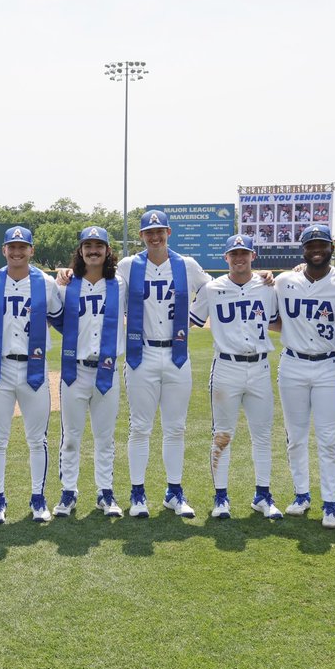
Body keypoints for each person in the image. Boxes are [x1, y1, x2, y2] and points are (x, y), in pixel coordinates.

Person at [117, 209, 211, 517]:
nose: (155, 236)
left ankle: (174, 491)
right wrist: (66, 273)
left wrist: (196, 316)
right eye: (149, 232)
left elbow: (213, 288)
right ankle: (137, 493)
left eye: (160, 231)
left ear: (168, 233)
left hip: (176, 353)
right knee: (140, 427)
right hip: (140, 353)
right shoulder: (129, 266)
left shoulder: (187, 265)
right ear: (141, 236)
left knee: (175, 428)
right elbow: (101, 281)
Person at [270, 224, 335, 529]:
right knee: (295, 436)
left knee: (328, 439)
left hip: (328, 367)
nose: (316, 250)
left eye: (321, 244)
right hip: (292, 364)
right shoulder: (284, 281)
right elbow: (271, 318)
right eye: (311, 245)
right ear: (303, 250)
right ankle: (300, 495)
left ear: (332, 248)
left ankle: (331, 504)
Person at [189, 234, 282, 520]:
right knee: (222, 435)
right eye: (234, 253)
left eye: (244, 253)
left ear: (253, 256)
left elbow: (278, 321)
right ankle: (221, 498)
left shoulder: (269, 287)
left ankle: (263, 496)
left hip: (259, 367)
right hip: (226, 367)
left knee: (262, 435)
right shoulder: (212, 288)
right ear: (226, 258)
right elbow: (192, 320)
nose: (239, 258)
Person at [0, 226, 64, 523]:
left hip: (35, 368)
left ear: (31, 250)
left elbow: (58, 317)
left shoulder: (47, 282)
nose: (17, 252)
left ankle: (38, 498)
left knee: (37, 439)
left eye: (22, 247)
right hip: (0, 368)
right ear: (3, 250)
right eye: (11, 247)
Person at [52, 226, 126, 518]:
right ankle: (68, 492)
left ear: (108, 250)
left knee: (105, 437)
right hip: (75, 370)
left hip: (107, 370)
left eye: (99, 245)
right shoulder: (65, 285)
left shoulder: (121, 283)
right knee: (70, 436)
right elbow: (54, 316)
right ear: (80, 251)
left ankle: (105, 492)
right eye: (88, 245)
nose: (93, 250)